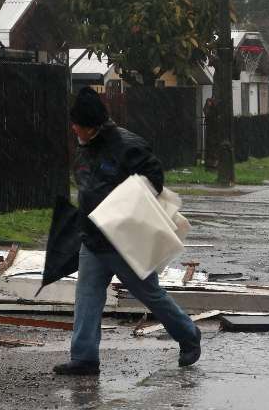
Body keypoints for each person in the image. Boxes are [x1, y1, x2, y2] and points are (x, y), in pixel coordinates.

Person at [52, 87, 202, 376]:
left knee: (150, 294)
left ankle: (188, 335)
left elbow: (154, 182)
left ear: (92, 126)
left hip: (124, 241)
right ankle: (84, 358)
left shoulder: (128, 146)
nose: (73, 129)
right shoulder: (85, 146)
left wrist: (122, 207)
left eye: (78, 125)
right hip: (93, 240)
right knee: (87, 298)